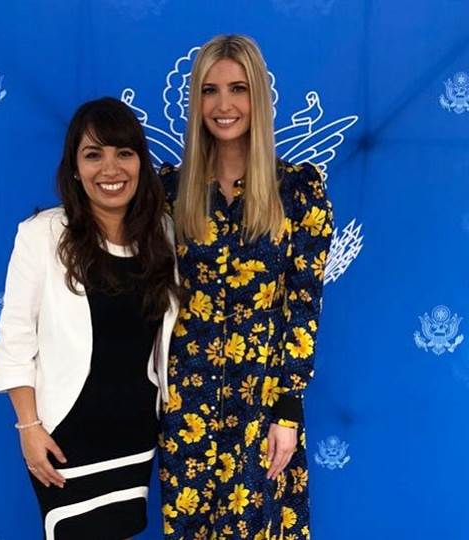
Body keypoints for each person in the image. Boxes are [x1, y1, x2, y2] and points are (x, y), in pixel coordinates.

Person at [158, 35, 334, 539]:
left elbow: (304, 306)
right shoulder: (169, 191)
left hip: (262, 404)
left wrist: (287, 410)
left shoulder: (298, 191)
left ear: (259, 96)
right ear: (197, 102)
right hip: (185, 406)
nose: (224, 104)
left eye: (238, 88)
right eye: (210, 91)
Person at [0, 97, 179, 540]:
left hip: (135, 434)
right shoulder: (41, 235)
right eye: (93, 155)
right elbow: (15, 338)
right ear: (75, 168)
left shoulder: (163, 236)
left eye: (124, 153)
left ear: (140, 163)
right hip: (64, 437)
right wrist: (28, 428)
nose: (110, 169)